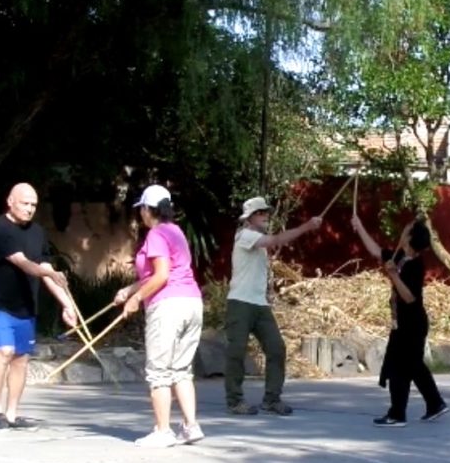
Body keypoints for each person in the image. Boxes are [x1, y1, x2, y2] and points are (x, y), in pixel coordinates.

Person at [114, 185, 205, 447]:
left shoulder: (155, 234)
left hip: (168, 306)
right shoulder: (176, 231)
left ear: (146, 209)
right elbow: (155, 274)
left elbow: (162, 275)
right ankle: (190, 426)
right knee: (181, 369)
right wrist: (128, 290)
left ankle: (163, 431)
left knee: (158, 370)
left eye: (140, 209)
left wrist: (136, 299)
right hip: (191, 301)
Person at [225, 197, 322, 416]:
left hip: (259, 304)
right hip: (240, 302)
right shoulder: (245, 235)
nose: (265, 216)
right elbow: (276, 240)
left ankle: (271, 399)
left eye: (266, 212)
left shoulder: (256, 240)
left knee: (277, 348)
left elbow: (273, 241)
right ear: (249, 218)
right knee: (237, 351)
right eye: (260, 213)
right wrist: (307, 226)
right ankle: (234, 401)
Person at [352, 215, 447, 427]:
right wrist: (360, 227)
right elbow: (376, 251)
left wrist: (394, 276)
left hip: (413, 323)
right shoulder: (401, 256)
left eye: (407, 228)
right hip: (403, 323)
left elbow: (410, 297)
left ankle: (397, 414)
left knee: (399, 367)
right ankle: (435, 404)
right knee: (413, 366)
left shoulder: (415, 265)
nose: (403, 229)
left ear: (410, 238)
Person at [0, 183, 76, 431]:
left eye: (33, 205)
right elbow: (24, 264)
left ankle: (11, 414)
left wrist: (66, 305)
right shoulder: (0, 228)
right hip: (0, 304)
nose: (30, 209)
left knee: (21, 359)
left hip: (26, 307)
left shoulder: (38, 232)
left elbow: (46, 270)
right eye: (25, 203)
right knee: (4, 352)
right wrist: (48, 273)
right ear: (10, 201)